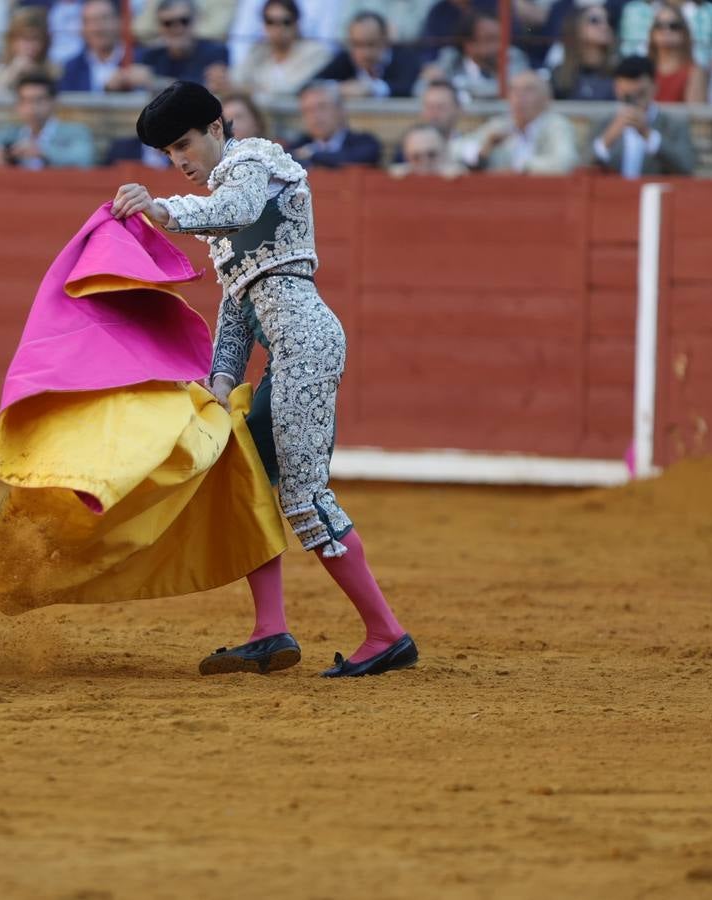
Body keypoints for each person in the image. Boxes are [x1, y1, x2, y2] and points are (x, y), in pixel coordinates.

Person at [110, 80, 417, 678]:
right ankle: (269, 630)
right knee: (244, 478)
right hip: (288, 352)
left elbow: (242, 209)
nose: (179, 162)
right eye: (168, 154)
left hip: (307, 346)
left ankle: (386, 634)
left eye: (183, 144)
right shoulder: (222, 205)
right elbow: (236, 307)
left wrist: (163, 210)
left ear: (217, 128)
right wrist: (222, 378)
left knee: (305, 497)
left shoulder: (253, 162)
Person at [0, 70, 95, 168]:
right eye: (25, 101)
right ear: (18, 105)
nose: (32, 107)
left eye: (39, 100)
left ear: (53, 102)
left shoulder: (75, 132)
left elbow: (85, 158)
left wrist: (42, 152)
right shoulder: (10, 133)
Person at [590, 55, 695, 176]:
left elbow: (686, 168)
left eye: (640, 94)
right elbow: (582, 167)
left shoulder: (673, 125)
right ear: (617, 89)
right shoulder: (603, 123)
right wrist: (608, 138)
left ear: (655, 87)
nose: (634, 102)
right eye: (627, 96)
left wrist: (648, 134)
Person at [456, 69, 578, 173]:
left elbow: (564, 162)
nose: (519, 96)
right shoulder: (500, 125)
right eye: (514, 90)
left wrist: (520, 165)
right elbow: (455, 150)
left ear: (546, 98)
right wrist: (482, 150)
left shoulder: (557, 125)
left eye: (529, 90)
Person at [227, 0, 333, 103]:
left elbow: (287, 91)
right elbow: (235, 79)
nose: (278, 28)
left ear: (297, 23)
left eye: (286, 22)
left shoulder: (315, 52)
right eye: (270, 21)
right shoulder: (258, 50)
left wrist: (247, 90)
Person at [414, 10, 528, 100]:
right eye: (490, 39)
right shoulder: (451, 58)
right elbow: (420, 91)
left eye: (501, 39)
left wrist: (458, 88)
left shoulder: (513, 56)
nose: (499, 46)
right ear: (469, 44)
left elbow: (512, 90)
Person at [313, 9, 422, 97]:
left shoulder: (405, 56)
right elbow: (314, 83)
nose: (365, 53)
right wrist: (339, 88)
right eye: (358, 44)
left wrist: (372, 89)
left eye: (371, 44)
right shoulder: (345, 58)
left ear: (385, 40)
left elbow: (407, 87)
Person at [58, 0, 153, 92]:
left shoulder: (145, 59)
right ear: (83, 28)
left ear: (119, 21)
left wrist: (152, 82)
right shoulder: (71, 69)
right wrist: (105, 89)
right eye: (91, 21)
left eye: (104, 19)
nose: (98, 28)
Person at [285, 80, 383, 168]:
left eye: (322, 107)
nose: (315, 116)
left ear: (340, 110)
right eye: (308, 110)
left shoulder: (365, 143)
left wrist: (313, 155)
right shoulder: (296, 146)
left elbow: (358, 158)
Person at [137, 0, 229, 91]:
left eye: (184, 21)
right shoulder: (151, 55)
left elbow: (209, 88)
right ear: (159, 26)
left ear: (196, 20)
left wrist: (155, 81)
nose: (176, 28)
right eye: (168, 23)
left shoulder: (216, 52)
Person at [548, 3, 618, 100]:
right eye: (594, 20)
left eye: (609, 21)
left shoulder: (619, 71)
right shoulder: (559, 74)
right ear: (576, 26)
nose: (605, 26)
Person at [645, 4, 708, 103]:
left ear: (684, 32)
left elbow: (696, 112)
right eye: (659, 25)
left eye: (673, 26)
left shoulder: (694, 72)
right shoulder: (644, 69)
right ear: (652, 32)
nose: (666, 31)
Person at [0, 6, 58, 91]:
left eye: (35, 38)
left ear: (45, 42)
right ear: (11, 40)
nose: (29, 45)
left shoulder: (54, 71)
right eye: (24, 38)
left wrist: (36, 73)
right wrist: (13, 71)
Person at [389, 121, 465, 174]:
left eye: (431, 155)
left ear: (445, 152)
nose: (425, 163)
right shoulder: (397, 178)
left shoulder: (462, 177)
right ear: (406, 157)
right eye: (416, 158)